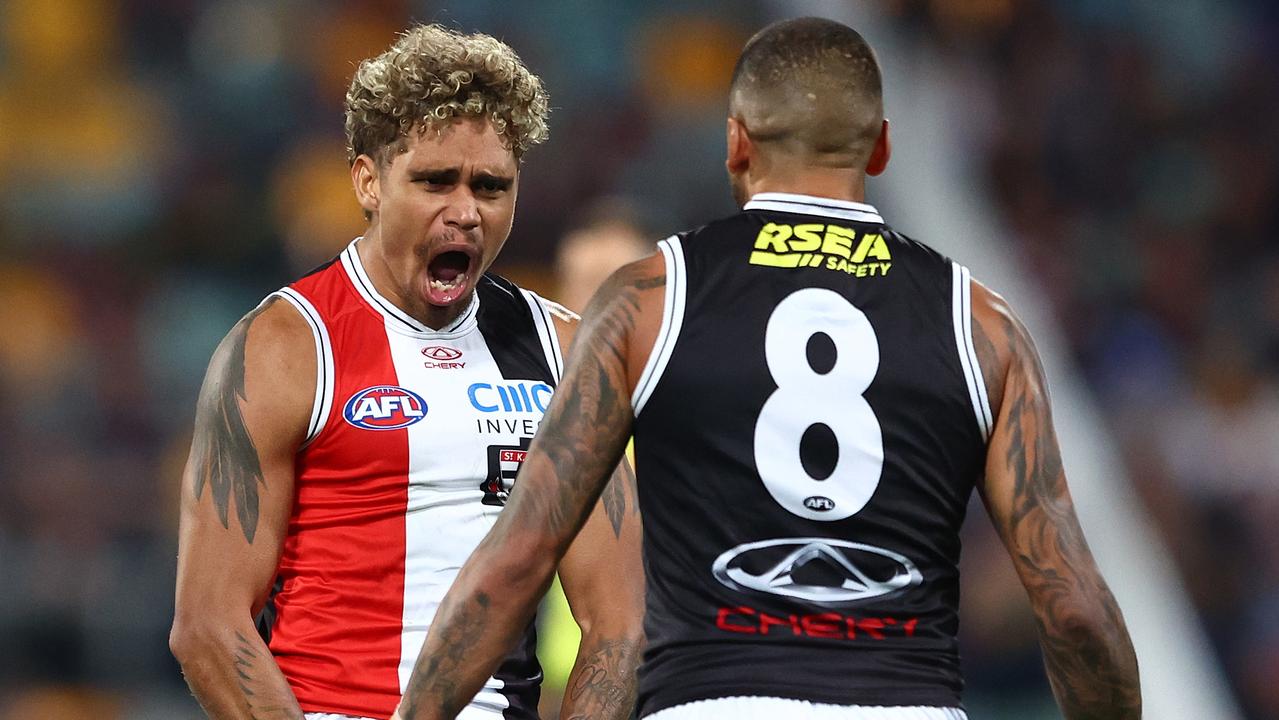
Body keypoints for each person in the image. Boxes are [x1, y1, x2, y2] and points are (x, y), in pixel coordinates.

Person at [391, 16, 1142, 720]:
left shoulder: (648, 301)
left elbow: (517, 560)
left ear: (736, 144)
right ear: (879, 147)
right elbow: (1071, 606)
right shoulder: (982, 325)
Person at [169, 24, 644, 720]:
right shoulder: (284, 347)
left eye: (490, 186)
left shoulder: (567, 355)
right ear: (368, 180)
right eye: (433, 181)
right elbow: (208, 628)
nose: (465, 211)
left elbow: (618, 627)